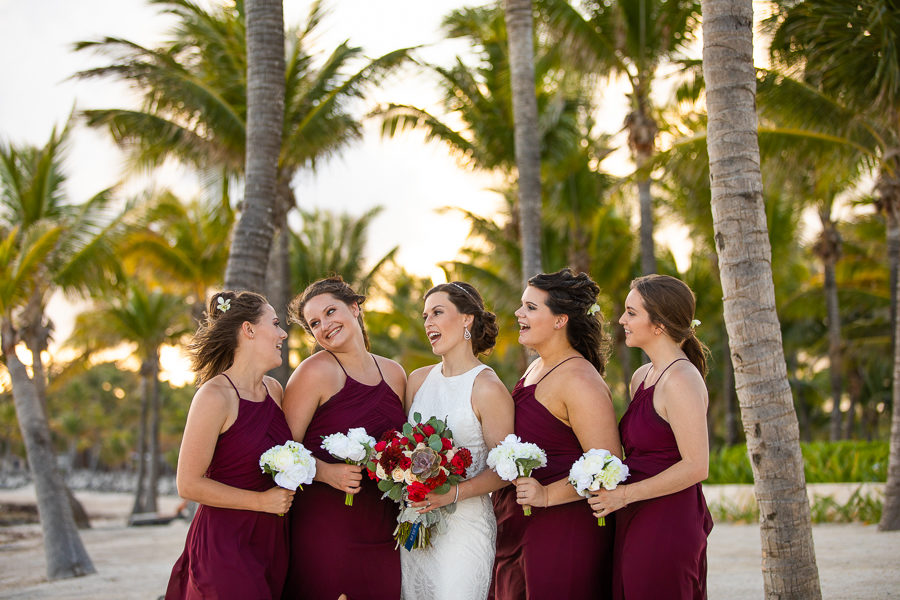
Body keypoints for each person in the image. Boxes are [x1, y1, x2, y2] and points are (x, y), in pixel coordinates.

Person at [490, 268, 620, 600]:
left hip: (563, 528)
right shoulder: (537, 366)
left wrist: (547, 496)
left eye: (531, 307)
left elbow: (609, 465)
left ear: (560, 320)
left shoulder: (579, 379)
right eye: (522, 305)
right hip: (521, 522)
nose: (519, 313)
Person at [281, 276, 407, 600]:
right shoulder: (313, 372)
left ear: (355, 308)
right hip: (327, 526)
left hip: (384, 524)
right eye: (314, 323)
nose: (325, 325)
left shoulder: (395, 373)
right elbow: (281, 452)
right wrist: (325, 472)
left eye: (331, 311)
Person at [588, 274, 713, 599]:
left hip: (668, 520)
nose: (622, 320)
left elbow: (697, 466)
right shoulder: (642, 377)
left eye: (632, 312)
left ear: (658, 325)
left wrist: (624, 496)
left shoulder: (682, 380)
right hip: (635, 515)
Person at [165, 291, 294, 600]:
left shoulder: (274, 391)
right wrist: (262, 502)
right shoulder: (214, 396)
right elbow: (188, 485)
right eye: (275, 324)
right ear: (248, 330)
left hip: (272, 541)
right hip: (225, 543)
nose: (283, 333)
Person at [402, 281, 514, 600]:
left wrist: (451, 494)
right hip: (416, 526)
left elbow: (504, 470)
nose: (428, 323)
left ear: (467, 319)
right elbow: (404, 448)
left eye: (438, 312)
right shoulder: (418, 380)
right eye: (425, 316)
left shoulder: (487, 387)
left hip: (464, 531)